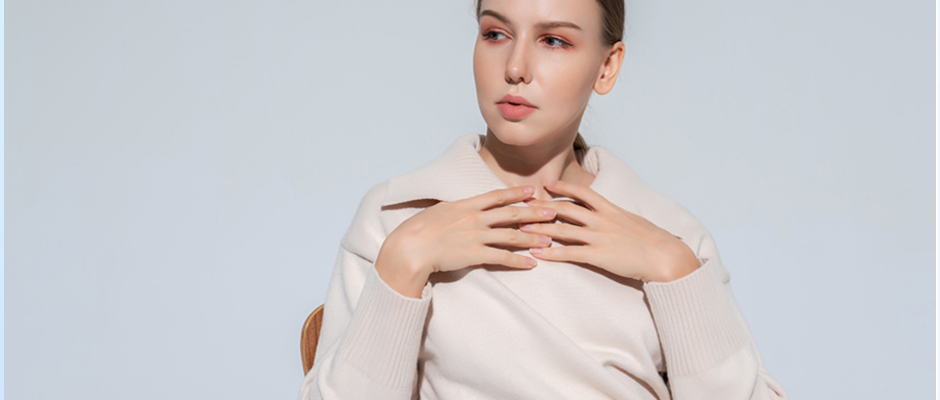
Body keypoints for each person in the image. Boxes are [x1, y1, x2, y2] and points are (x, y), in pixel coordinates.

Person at [298, 0, 788, 398]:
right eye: (495, 34)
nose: (515, 68)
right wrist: (403, 263)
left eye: (554, 40)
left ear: (607, 67)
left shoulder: (670, 234)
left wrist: (676, 272)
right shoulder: (398, 215)